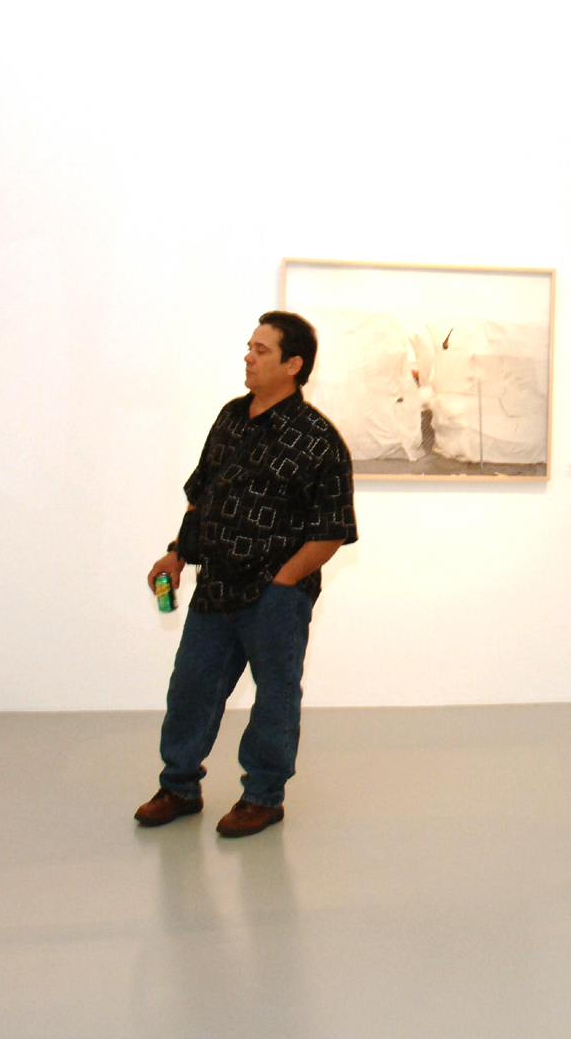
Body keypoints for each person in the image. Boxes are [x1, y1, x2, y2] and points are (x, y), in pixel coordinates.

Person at [135, 311, 358, 837]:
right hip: (215, 586)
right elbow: (202, 496)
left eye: (262, 350)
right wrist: (176, 554)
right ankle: (178, 787)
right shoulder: (231, 417)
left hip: (274, 596)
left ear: (293, 365)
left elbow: (332, 530)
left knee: (275, 696)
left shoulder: (319, 440)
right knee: (191, 688)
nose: (249, 357)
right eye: (250, 347)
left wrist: (284, 581)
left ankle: (263, 796)